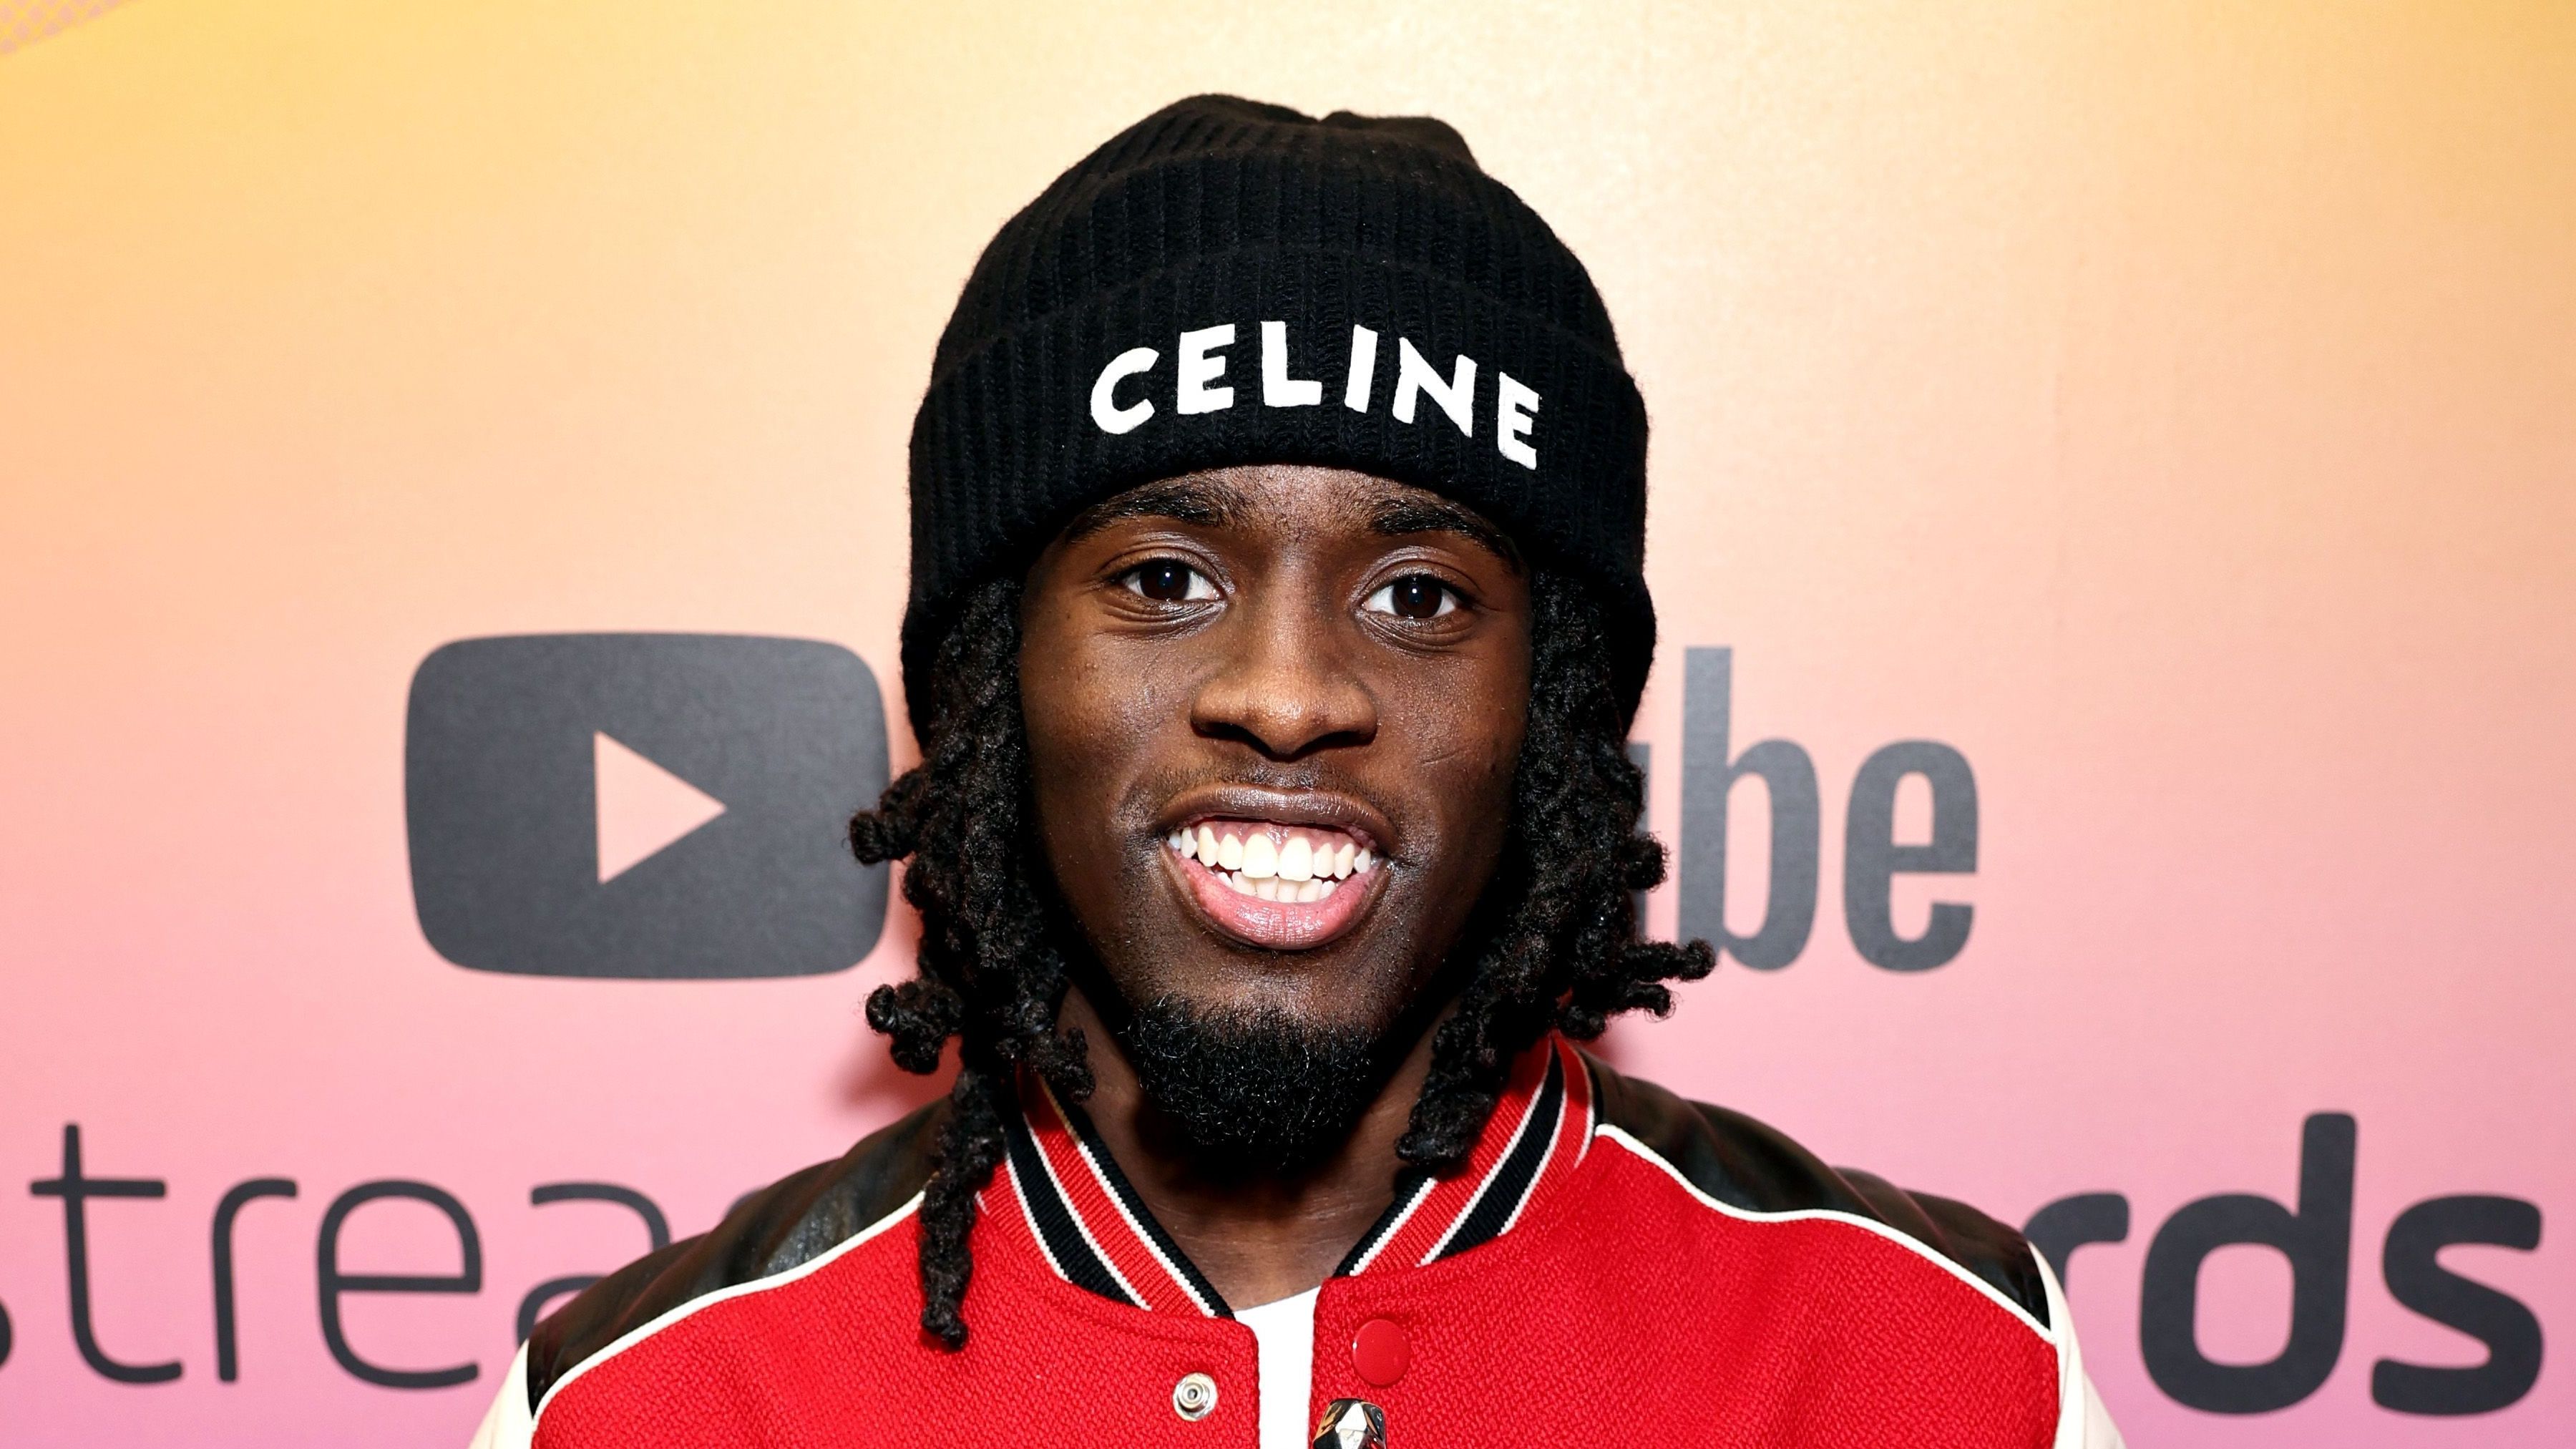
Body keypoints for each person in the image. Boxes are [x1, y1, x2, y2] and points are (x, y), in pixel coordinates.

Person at [470, 94, 2122, 1449]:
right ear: (991, 678)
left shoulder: (1943, 1368)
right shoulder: (647, 1402)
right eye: (1163, 577)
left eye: (1419, 595)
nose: (1283, 692)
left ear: (1549, 713)